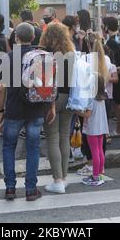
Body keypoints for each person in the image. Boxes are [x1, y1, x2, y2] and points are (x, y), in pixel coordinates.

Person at [0, 22, 47, 201]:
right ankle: (31, 189)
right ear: (33, 38)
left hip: (13, 108)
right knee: (33, 147)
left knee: (9, 147)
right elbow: (47, 86)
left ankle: (10, 188)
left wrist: (1, 110)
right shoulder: (40, 56)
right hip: (36, 109)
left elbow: (1, 88)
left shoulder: (7, 57)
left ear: (16, 37)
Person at [39, 23, 75, 194]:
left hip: (52, 98)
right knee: (64, 137)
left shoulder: (45, 54)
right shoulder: (71, 53)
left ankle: (57, 180)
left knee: (52, 138)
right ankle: (64, 178)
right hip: (70, 97)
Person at [77, 33, 112, 178]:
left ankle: (95, 173)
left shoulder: (85, 59)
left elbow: (87, 114)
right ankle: (101, 171)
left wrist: (76, 111)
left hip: (91, 111)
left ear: (88, 44)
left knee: (93, 149)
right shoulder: (107, 59)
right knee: (100, 148)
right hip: (103, 98)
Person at [103, 17, 120, 138]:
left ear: (107, 26)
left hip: (117, 74)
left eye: (103, 25)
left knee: (118, 104)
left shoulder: (111, 43)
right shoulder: (118, 40)